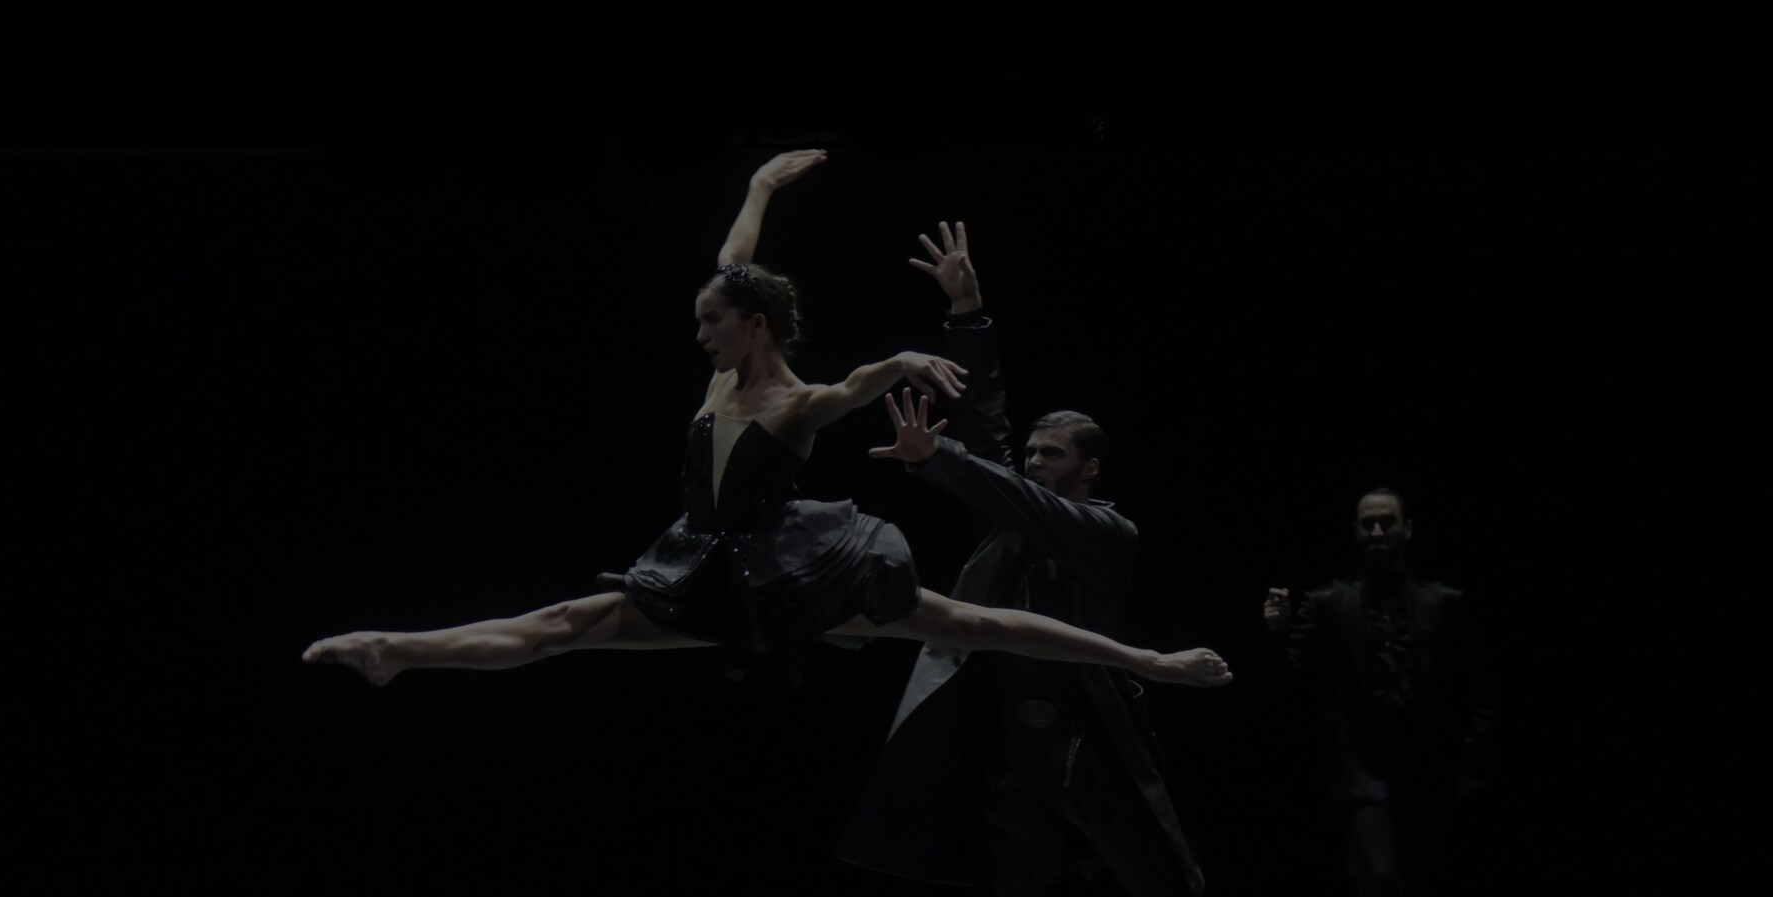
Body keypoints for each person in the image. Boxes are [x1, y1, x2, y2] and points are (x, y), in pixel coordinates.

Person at [303, 151, 1231, 694]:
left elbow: (864, 380)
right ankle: (393, 650)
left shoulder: (797, 402)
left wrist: (915, 356)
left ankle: (1146, 658)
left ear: (754, 328)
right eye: (701, 318)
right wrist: (759, 186)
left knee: (975, 621)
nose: (699, 331)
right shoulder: (720, 371)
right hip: (700, 567)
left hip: (794, 575)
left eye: (713, 321)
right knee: (557, 620)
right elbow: (732, 259)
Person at [841, 223, 1217, 895]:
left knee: (1160, 878)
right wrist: (967, 315)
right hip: (1008, 741)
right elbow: (987, 428)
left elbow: (1002, 482)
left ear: (1090, 468)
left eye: (1054, 455)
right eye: (1033, 452)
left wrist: (941, 459)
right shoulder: (1010, 522)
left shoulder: (1105, 530)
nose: (1037, 463)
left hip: (1086, 739)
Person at [1262, 489, 1498, 897]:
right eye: (1366, 523)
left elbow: (1478, 686)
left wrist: (1472, 762)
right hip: (1360, 774)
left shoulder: (1444, 604)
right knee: (1379, 876)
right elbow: (1291, 681)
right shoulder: (1328, 604)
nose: (1376, 531)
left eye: (1386, 521)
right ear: (1354, 532)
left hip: (1432, 773)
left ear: (1406, 529)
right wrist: (1277, 635)